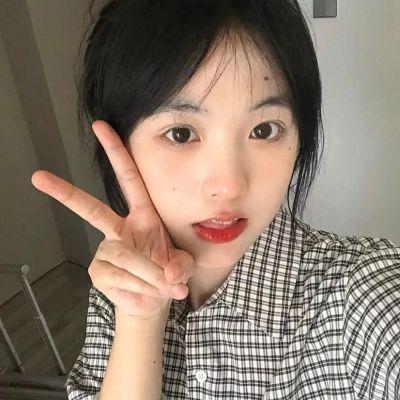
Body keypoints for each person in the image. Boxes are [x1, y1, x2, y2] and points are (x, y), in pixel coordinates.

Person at [31, 0, 400, 399]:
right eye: (181, 134)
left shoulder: (357, 291)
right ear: (120, 144)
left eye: (264, 130)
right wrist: (140, 320)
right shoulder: (118, 286)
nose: (228, 186)